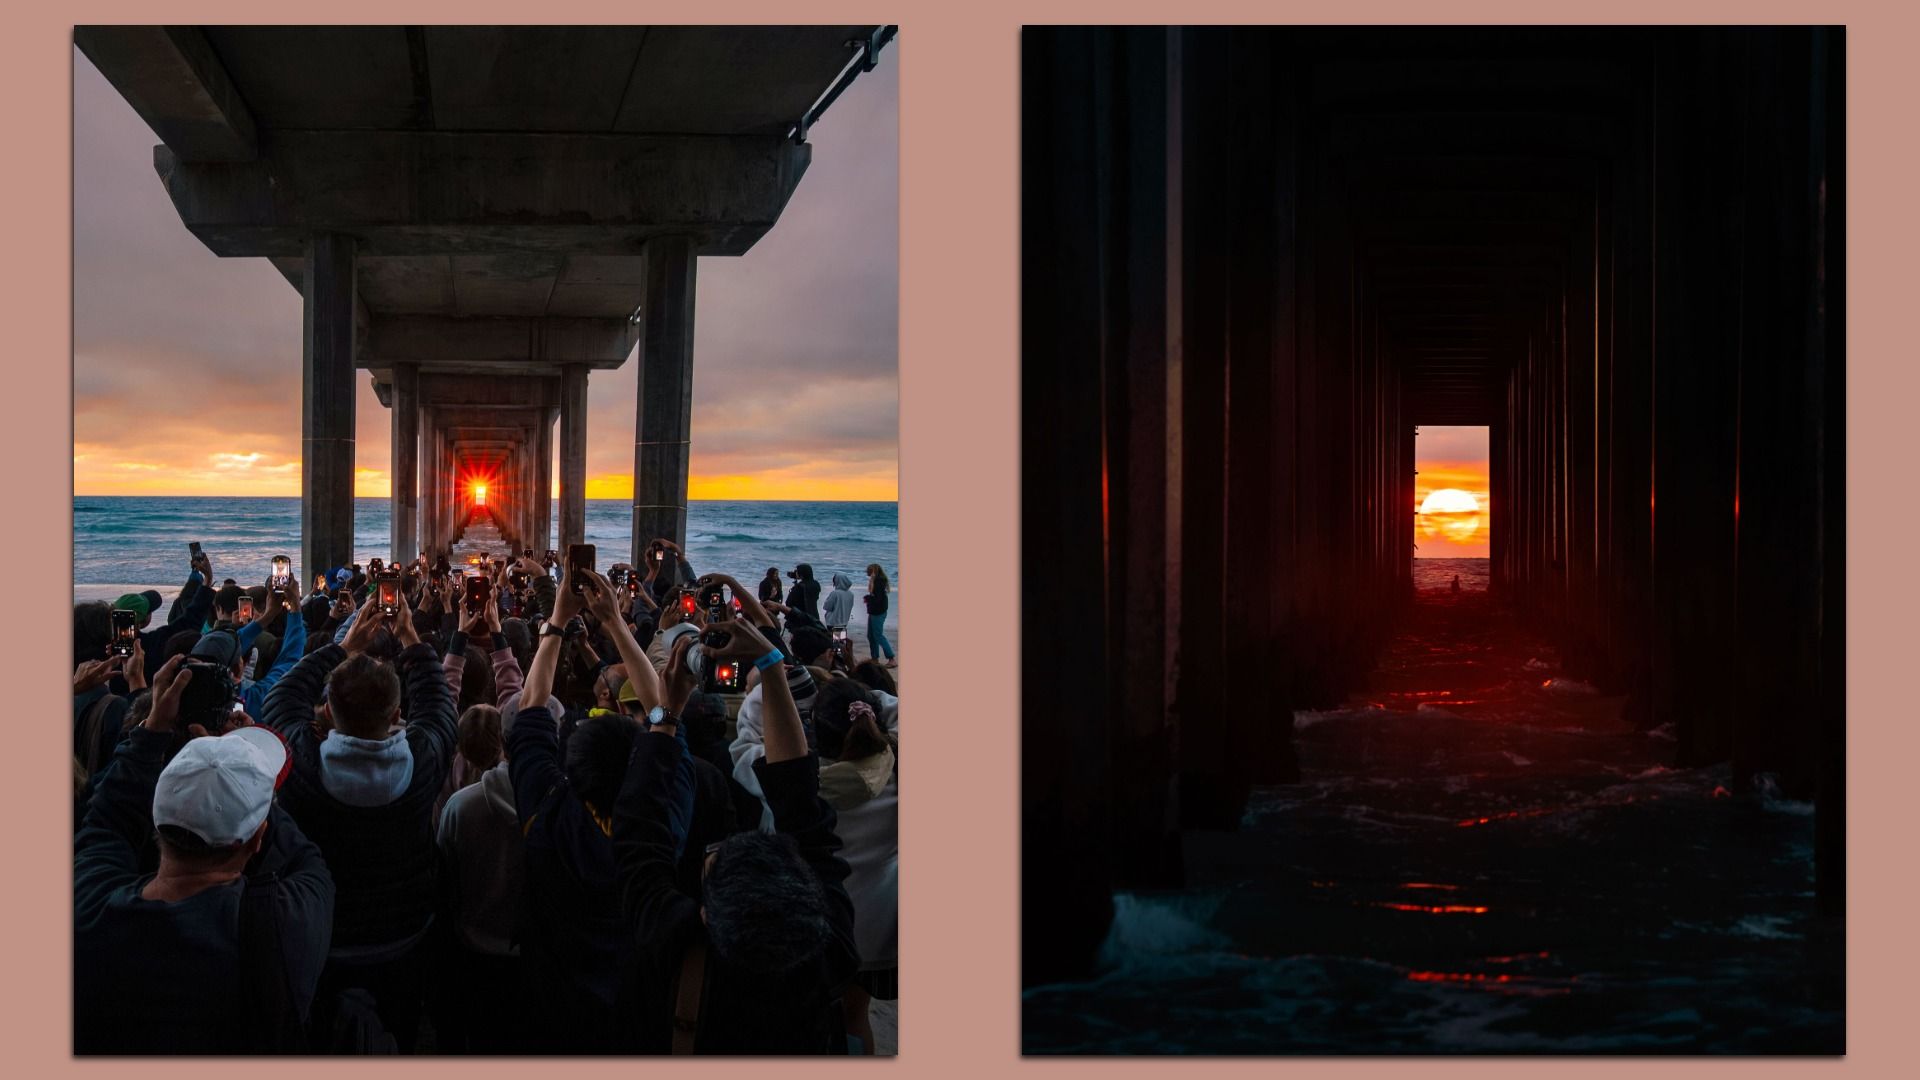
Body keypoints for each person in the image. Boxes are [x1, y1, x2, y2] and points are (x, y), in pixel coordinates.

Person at [613, 606, 858, 1053]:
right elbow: (804, 814)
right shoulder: (830, 953)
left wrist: (770, 668)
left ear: (706, 913)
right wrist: (770, 667)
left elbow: (640, 829)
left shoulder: (668, 948)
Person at [75, 655, 335, 1053]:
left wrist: (153, 730)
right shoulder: (284, 924)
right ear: (256, 838)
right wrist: (240, 769)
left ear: (157, 819)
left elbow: (107, 821)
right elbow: (309, 861)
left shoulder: (88, 910)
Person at [261, 593, 457, 1051]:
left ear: (327, 712)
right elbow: (438, 704)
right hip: (404, 933)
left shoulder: (300, 765)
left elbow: (281, 697)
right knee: (399, 1024)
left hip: (325, 934)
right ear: (395, 717)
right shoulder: (424, 761)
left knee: (322, 1031)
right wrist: (409, 634)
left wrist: (343, 646)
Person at [508, 564, 668, 1050]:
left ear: (570, 769)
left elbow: (531, 704)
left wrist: (556, 621)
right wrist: (616, 624)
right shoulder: (656, 829)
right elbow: (661, 715)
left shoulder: (549, 809)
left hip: (551, 994)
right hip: (631, 1003)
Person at [863, 564, 896, 668]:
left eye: (868, 571)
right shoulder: (877, 580)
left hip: (878, 612)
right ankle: (874, 658)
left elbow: (877, 598)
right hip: (875, 611)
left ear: (872, 571)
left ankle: (891, 659)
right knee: (871, 635)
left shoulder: (878, 581)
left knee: (878, 635)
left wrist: (867, 598)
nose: (866, 572)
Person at [821, 573, 855, 639]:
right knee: (840, 642)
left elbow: (827, 606)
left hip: (833, 622)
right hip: (844, 621)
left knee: (834, 643)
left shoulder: (835, 593)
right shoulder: (851, 594)